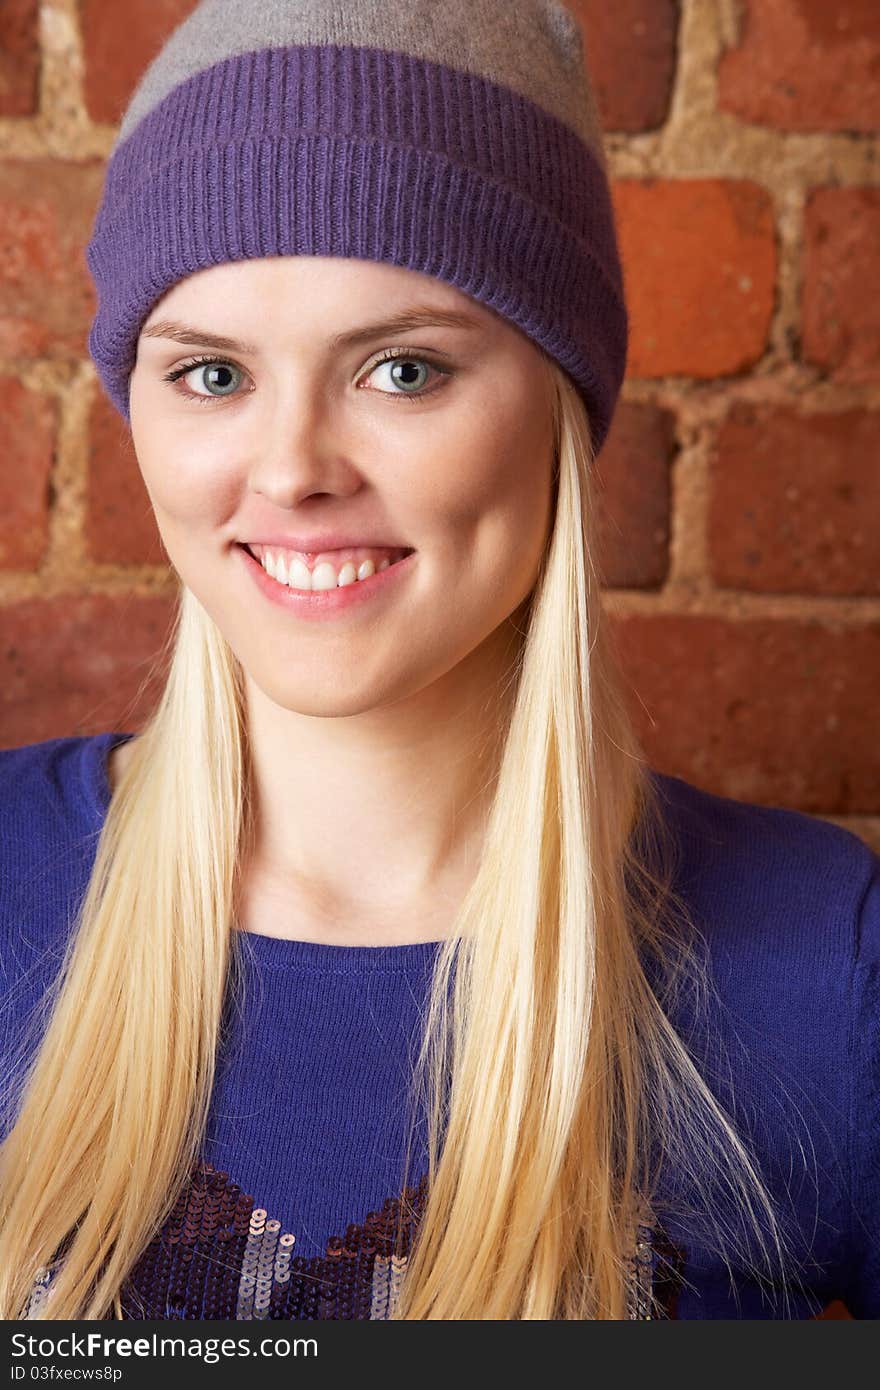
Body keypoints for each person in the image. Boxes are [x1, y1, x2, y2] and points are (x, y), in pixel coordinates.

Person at [0, 0, 877, 1322]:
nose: (294, 467)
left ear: (562, 408)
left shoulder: (822, 961)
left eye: (402, 369)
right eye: (213, 375)